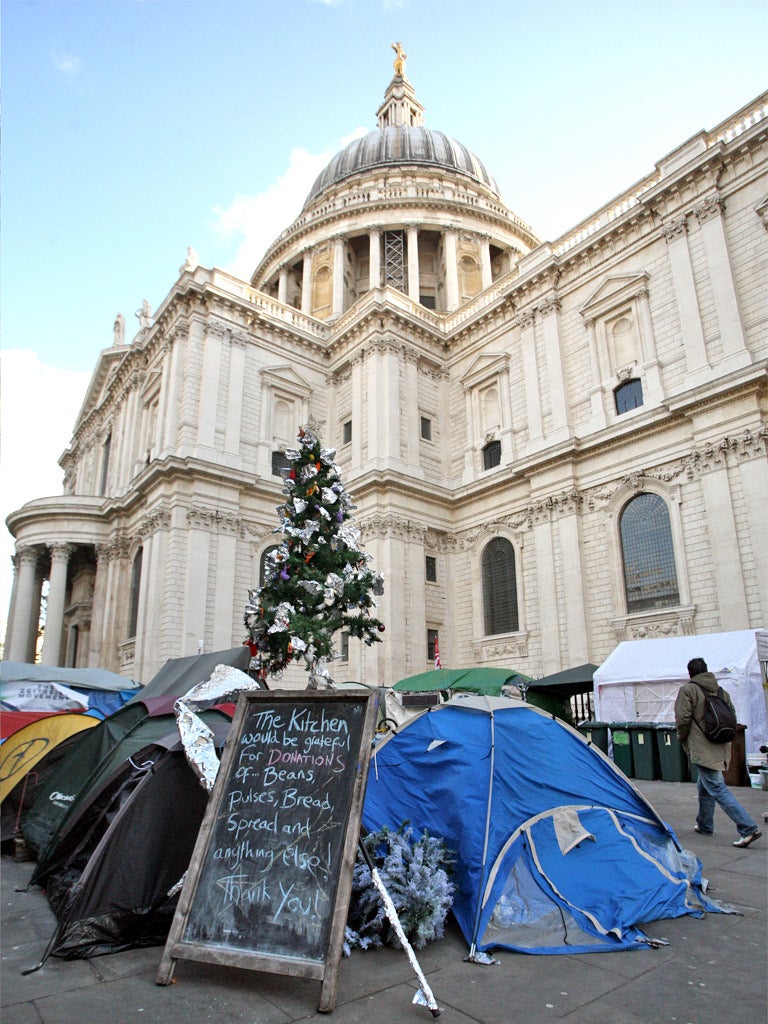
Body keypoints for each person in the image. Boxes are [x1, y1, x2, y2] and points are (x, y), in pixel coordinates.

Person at [674, 657, 762, 848]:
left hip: (702, 746)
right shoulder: (721, 691)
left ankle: (748, 828)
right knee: (704, 786)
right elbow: (732, 716)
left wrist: (682, 737)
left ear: (690, 673)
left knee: (716, 787)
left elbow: (683, 719)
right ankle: (705, 824)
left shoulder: (688, 690)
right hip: (721, 745)